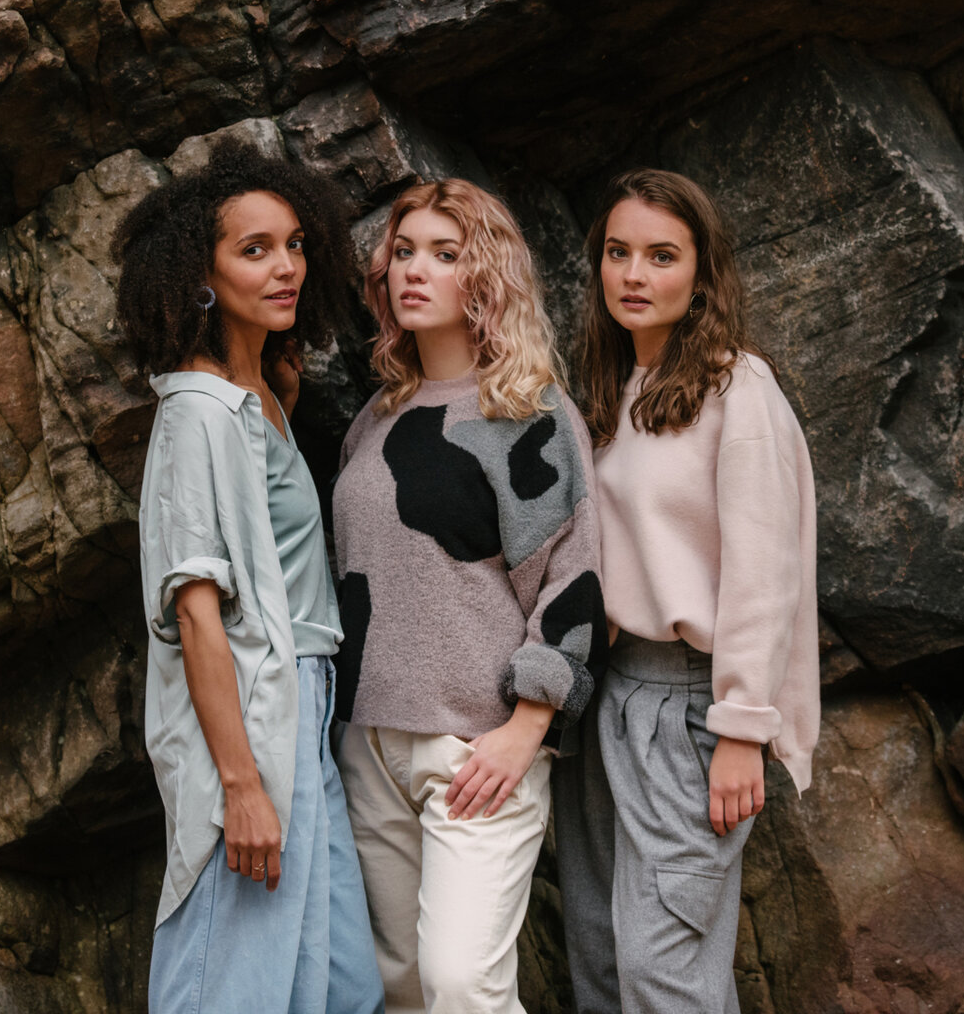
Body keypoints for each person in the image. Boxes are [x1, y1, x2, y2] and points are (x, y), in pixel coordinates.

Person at [118, 142, 384, 1014]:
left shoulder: (263, 393)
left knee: (341, 983)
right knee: (231, 987)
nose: (287, 268)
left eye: (296, 243)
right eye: (255, 249)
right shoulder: (197, 414)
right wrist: (240, 785)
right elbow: (196, 615)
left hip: (307, 707)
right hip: (253, 715)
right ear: (200, 271)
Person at [331, 178, 605, 1014]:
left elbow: (575, 580)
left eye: (444, 256)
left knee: (462, 986)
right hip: (370, 742)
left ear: (483, 277)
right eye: (404, 252)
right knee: (405, 987)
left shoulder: (530, 411)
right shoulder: (376, 417)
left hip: (477, 750)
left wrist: (528, 729)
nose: (415, 271)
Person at [554, 168, 818, 1014]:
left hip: (688, 707)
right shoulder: (606, 389)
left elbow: (764, 573)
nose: (635, 274)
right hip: (604, 701)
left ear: (701, 275)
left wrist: (740, 727)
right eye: (618, 253)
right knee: (598, 954)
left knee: (666, 974)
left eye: (661, 256)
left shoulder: (738, 392)